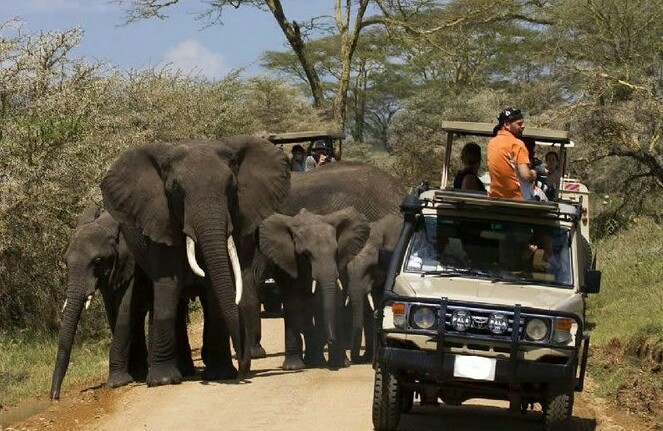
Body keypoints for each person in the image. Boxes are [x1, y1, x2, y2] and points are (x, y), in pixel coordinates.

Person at [487, 107, 536, 200]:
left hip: (495, 198)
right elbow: (525, 176)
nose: (523, 126)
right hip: (516, 199)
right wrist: (533, 174)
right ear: (507, 124)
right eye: (519, 124)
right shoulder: (517, 144)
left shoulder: (492, 143)